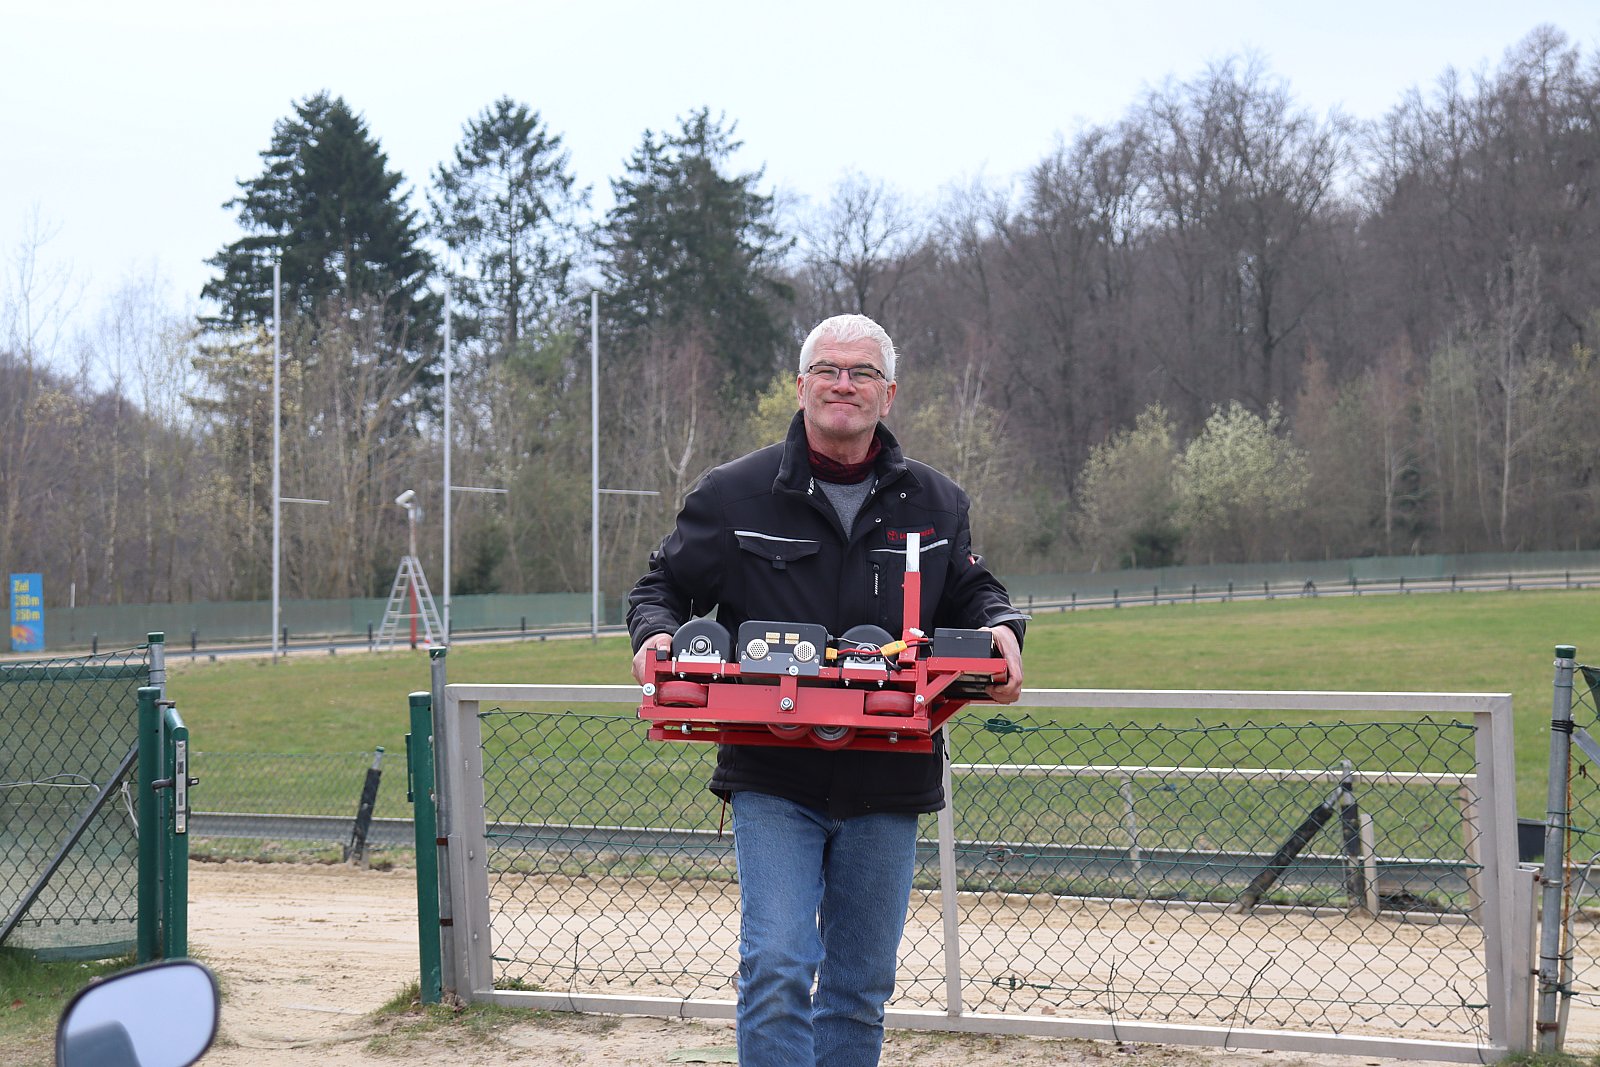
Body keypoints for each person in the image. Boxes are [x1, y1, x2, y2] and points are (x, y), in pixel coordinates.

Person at [627, 313, 1025, 1067]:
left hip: (889, 773)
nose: (845, 384)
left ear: (888, 393)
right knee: (777, 964)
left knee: (858, 987)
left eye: (863, 372)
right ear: (801, 385)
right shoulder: (734, 495)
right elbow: (662, 588)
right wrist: (655, 635)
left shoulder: (936, 504)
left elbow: (975, 591)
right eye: (829, 369)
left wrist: (1002, 628)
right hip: (774, 769)